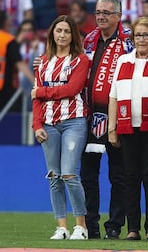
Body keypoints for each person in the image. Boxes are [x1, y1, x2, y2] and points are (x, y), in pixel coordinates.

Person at [108, 17, 148, 241]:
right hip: (127, 125)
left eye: (146, 35)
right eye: (137, 35)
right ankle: (133, 228)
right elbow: (114, 95)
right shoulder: (124, 60)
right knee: (130, 176)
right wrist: (111, 128)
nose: (141, 39)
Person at [31, 15, 89, 240]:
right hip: (47, 124)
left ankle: (81, 226)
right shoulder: (42, 62)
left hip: (74, 120)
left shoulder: (81, 60)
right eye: (58, 31)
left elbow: (72, 89)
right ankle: (61, 227)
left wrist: (42, 92)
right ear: (52, 34)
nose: (62, 35)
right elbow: (35, 99)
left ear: (72, 35)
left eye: (66, 31)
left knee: (69, 174)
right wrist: (36, 125)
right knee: (53, 176)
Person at [81, 0, 133, 240]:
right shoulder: (89, 39)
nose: (100, 17)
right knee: (88, 174)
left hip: (119, 116)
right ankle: (90, 225)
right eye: (98, 12)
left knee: (119, 175)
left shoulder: (129, 41)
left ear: (118, 16)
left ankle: (114, 226)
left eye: (106, 13)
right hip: (90, 117)